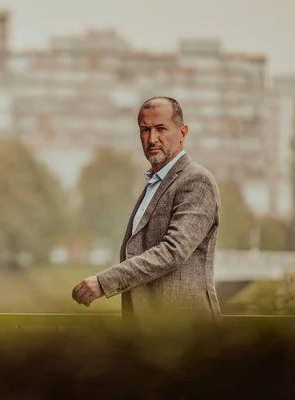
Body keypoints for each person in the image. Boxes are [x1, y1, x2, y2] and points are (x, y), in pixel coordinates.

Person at [71, 96, 222, 323]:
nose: (152, 138)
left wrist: (105, 282)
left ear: (182, 133)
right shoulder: (155, 183)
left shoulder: (196, 181)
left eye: (161, 128)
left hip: (187, 331)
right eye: (145, 129)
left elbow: (173, 251)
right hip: (149, 333)